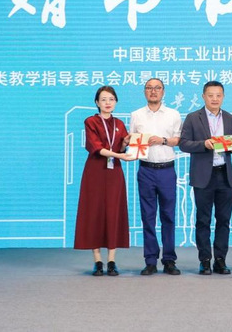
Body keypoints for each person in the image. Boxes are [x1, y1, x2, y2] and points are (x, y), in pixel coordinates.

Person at [179, 80, 232, 275]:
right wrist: (203, 144)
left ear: (223, 97)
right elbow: (183, 144)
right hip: (204, 176)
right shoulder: (193, 118)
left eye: (218, 95)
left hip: (225, 175)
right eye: (210, 95)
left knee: (224, 220)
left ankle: (220, 260)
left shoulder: (228, 117)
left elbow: (231, 145)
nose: (214, 99)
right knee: (203, 220)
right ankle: (204, 260)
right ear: (203, 96)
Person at [74, 85, 132, 277]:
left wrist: (124, 144)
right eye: (104, 99)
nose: (108, 103)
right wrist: (119, 155)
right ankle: (98, 261)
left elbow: (121, 148)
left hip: (114, 172)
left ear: (116, 102)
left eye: (111, 99)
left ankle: (112, 261)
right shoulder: (91, 121)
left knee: (113, 211)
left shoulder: (120, 123)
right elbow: (96, 147)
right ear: (97, 102)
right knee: (95, 212)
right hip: (95, 171)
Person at [130, 78, 183, 276]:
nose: (153, 91)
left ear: (163, 91)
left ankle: (169, 260)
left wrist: (162, 140)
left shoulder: (173, 114)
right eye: (149, 88)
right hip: (146, 170)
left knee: (168, 216)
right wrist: (128, 141)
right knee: (148, 216)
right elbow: (133, 140)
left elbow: (178, 140)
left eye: (157, 88)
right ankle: (150, 260)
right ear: (144, 92)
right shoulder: (136, 115)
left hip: (167, 170)